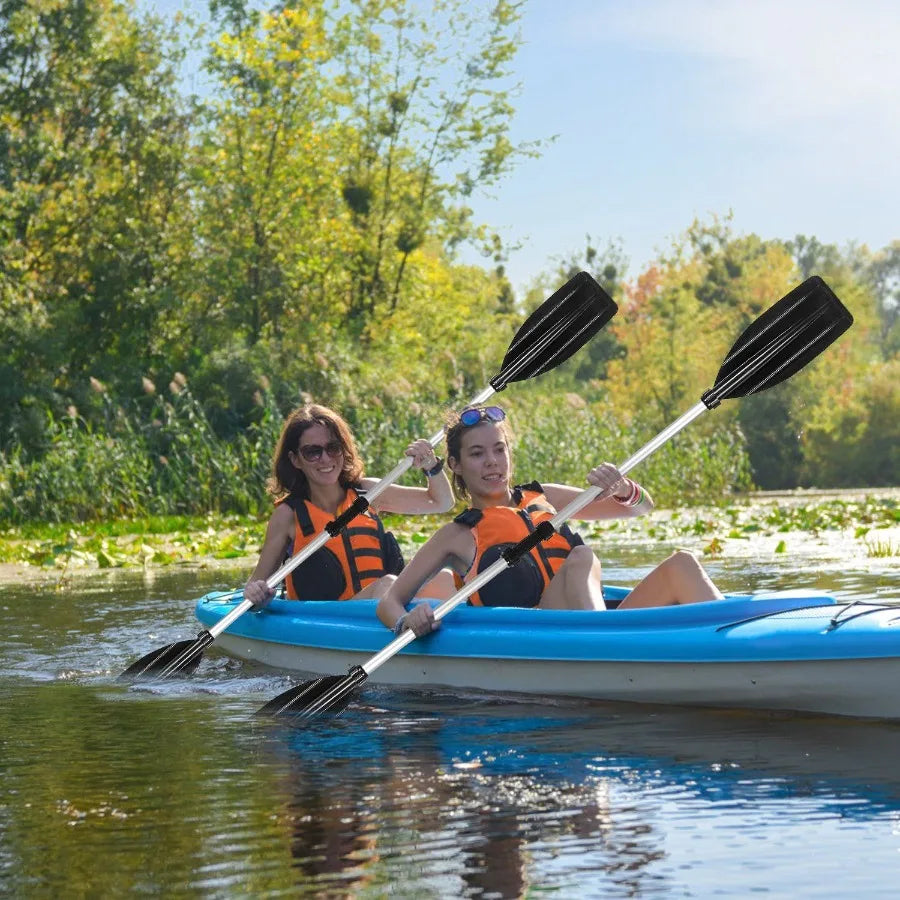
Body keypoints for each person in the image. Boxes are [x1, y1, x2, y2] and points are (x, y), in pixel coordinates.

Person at [377, 405, 724, 636]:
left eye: (499, 449)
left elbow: (640, 508)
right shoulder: (456, 534)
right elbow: (389, 603)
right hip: (542, 635)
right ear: (455, 464)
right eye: (477, 454)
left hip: (592, 623)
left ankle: (733, 640)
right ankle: (609, 645)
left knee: (682, 564)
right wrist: (406, 622)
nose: (492, 463)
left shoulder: (546, 498)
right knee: (581, 558)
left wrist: (622, 488)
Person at [244, 403, 455, 607]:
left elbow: (442, 502)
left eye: (333, 448)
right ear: (295, 459)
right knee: (388, 585)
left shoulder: (368, 492)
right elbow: (256, 585)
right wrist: (255, 594)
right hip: (332, 620)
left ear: (343, 450)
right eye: (312, 452)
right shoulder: (288, 515)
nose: (325, 459)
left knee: (446, 578)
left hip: (384, 605)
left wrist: (431, 465)